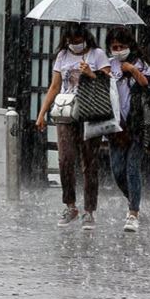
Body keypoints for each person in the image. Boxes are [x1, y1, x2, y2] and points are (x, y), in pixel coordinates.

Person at [35, 24, 111, 230]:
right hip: (67, 113)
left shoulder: (97, 54)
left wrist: (91, 73)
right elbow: (55, 86)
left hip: (90, 112)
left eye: (78, 41)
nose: (74, 45)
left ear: (85, 37)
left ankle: (89, 210)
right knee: (65, 159)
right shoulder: (62, 56)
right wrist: (42, 113)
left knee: (89, 162)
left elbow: (108, 82)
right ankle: (70, 205)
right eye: (71, 41)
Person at [106, 27, 150, 232]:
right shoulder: (108, 65)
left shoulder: (140, 64)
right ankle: (134, 199)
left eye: (121, 46)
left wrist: (132, 69)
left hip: (137, 125)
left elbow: (147, 84)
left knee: (132, 168)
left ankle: (133, 212)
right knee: (117, 170)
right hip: (116, 126)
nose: (118, 50)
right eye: (114, 47)